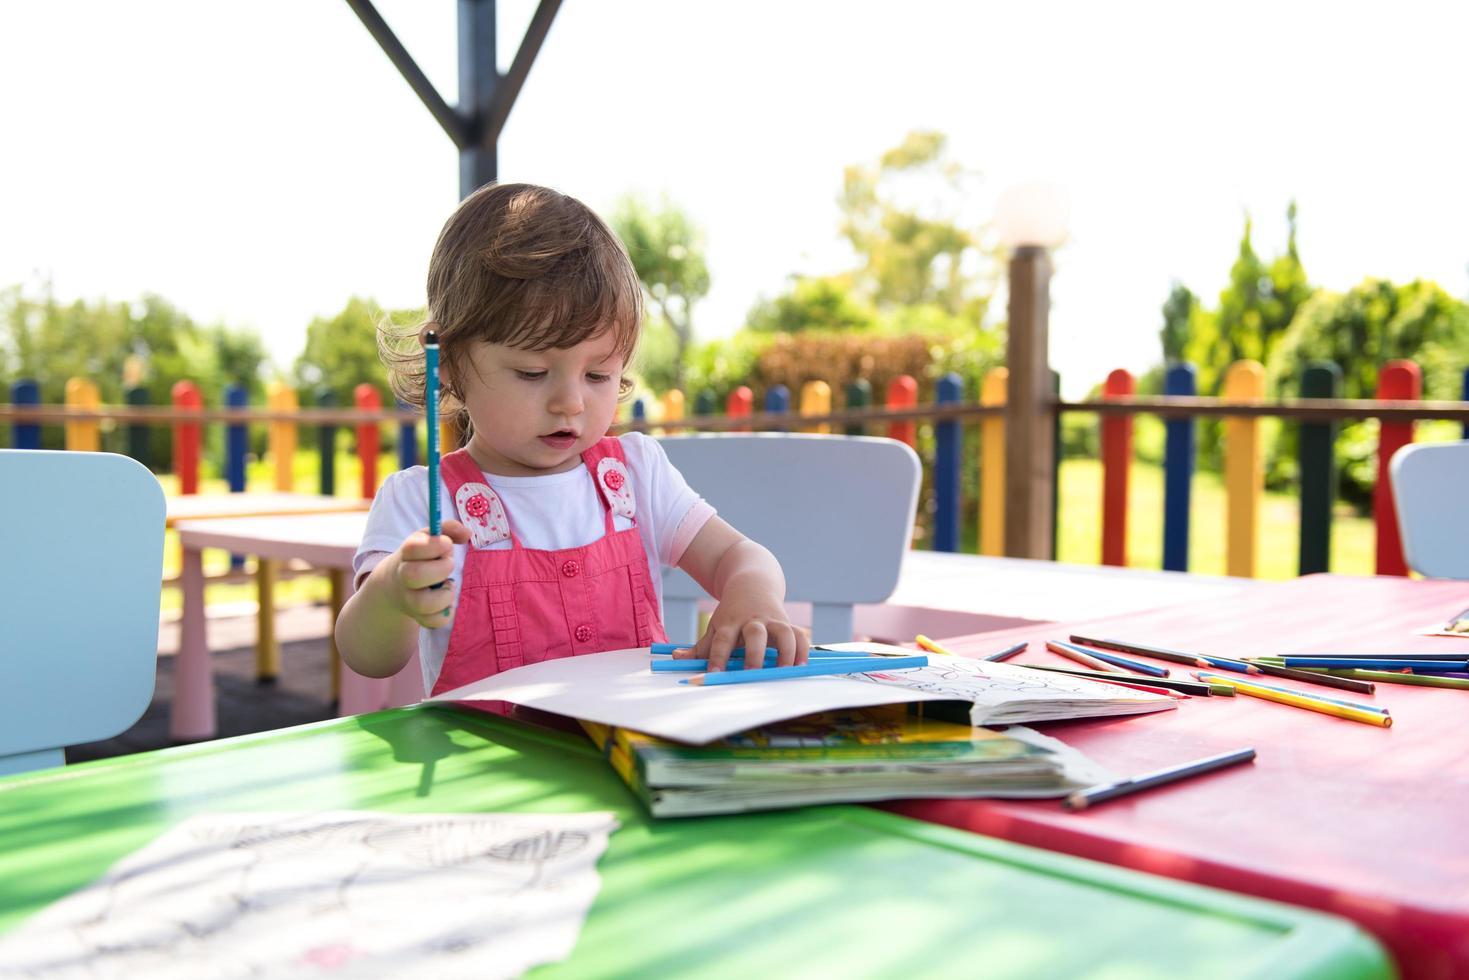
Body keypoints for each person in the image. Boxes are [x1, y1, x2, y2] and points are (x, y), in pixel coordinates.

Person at [336, 182, 809, 697]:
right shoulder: (424, 501)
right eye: (533, 372)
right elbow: (369, 656)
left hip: (631, 755)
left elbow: (737, 556)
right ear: (449, 365)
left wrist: (753, 594)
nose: (571, 403)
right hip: (491, 763)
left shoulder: (633, 475)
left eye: (599, 375)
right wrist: (392, 593)